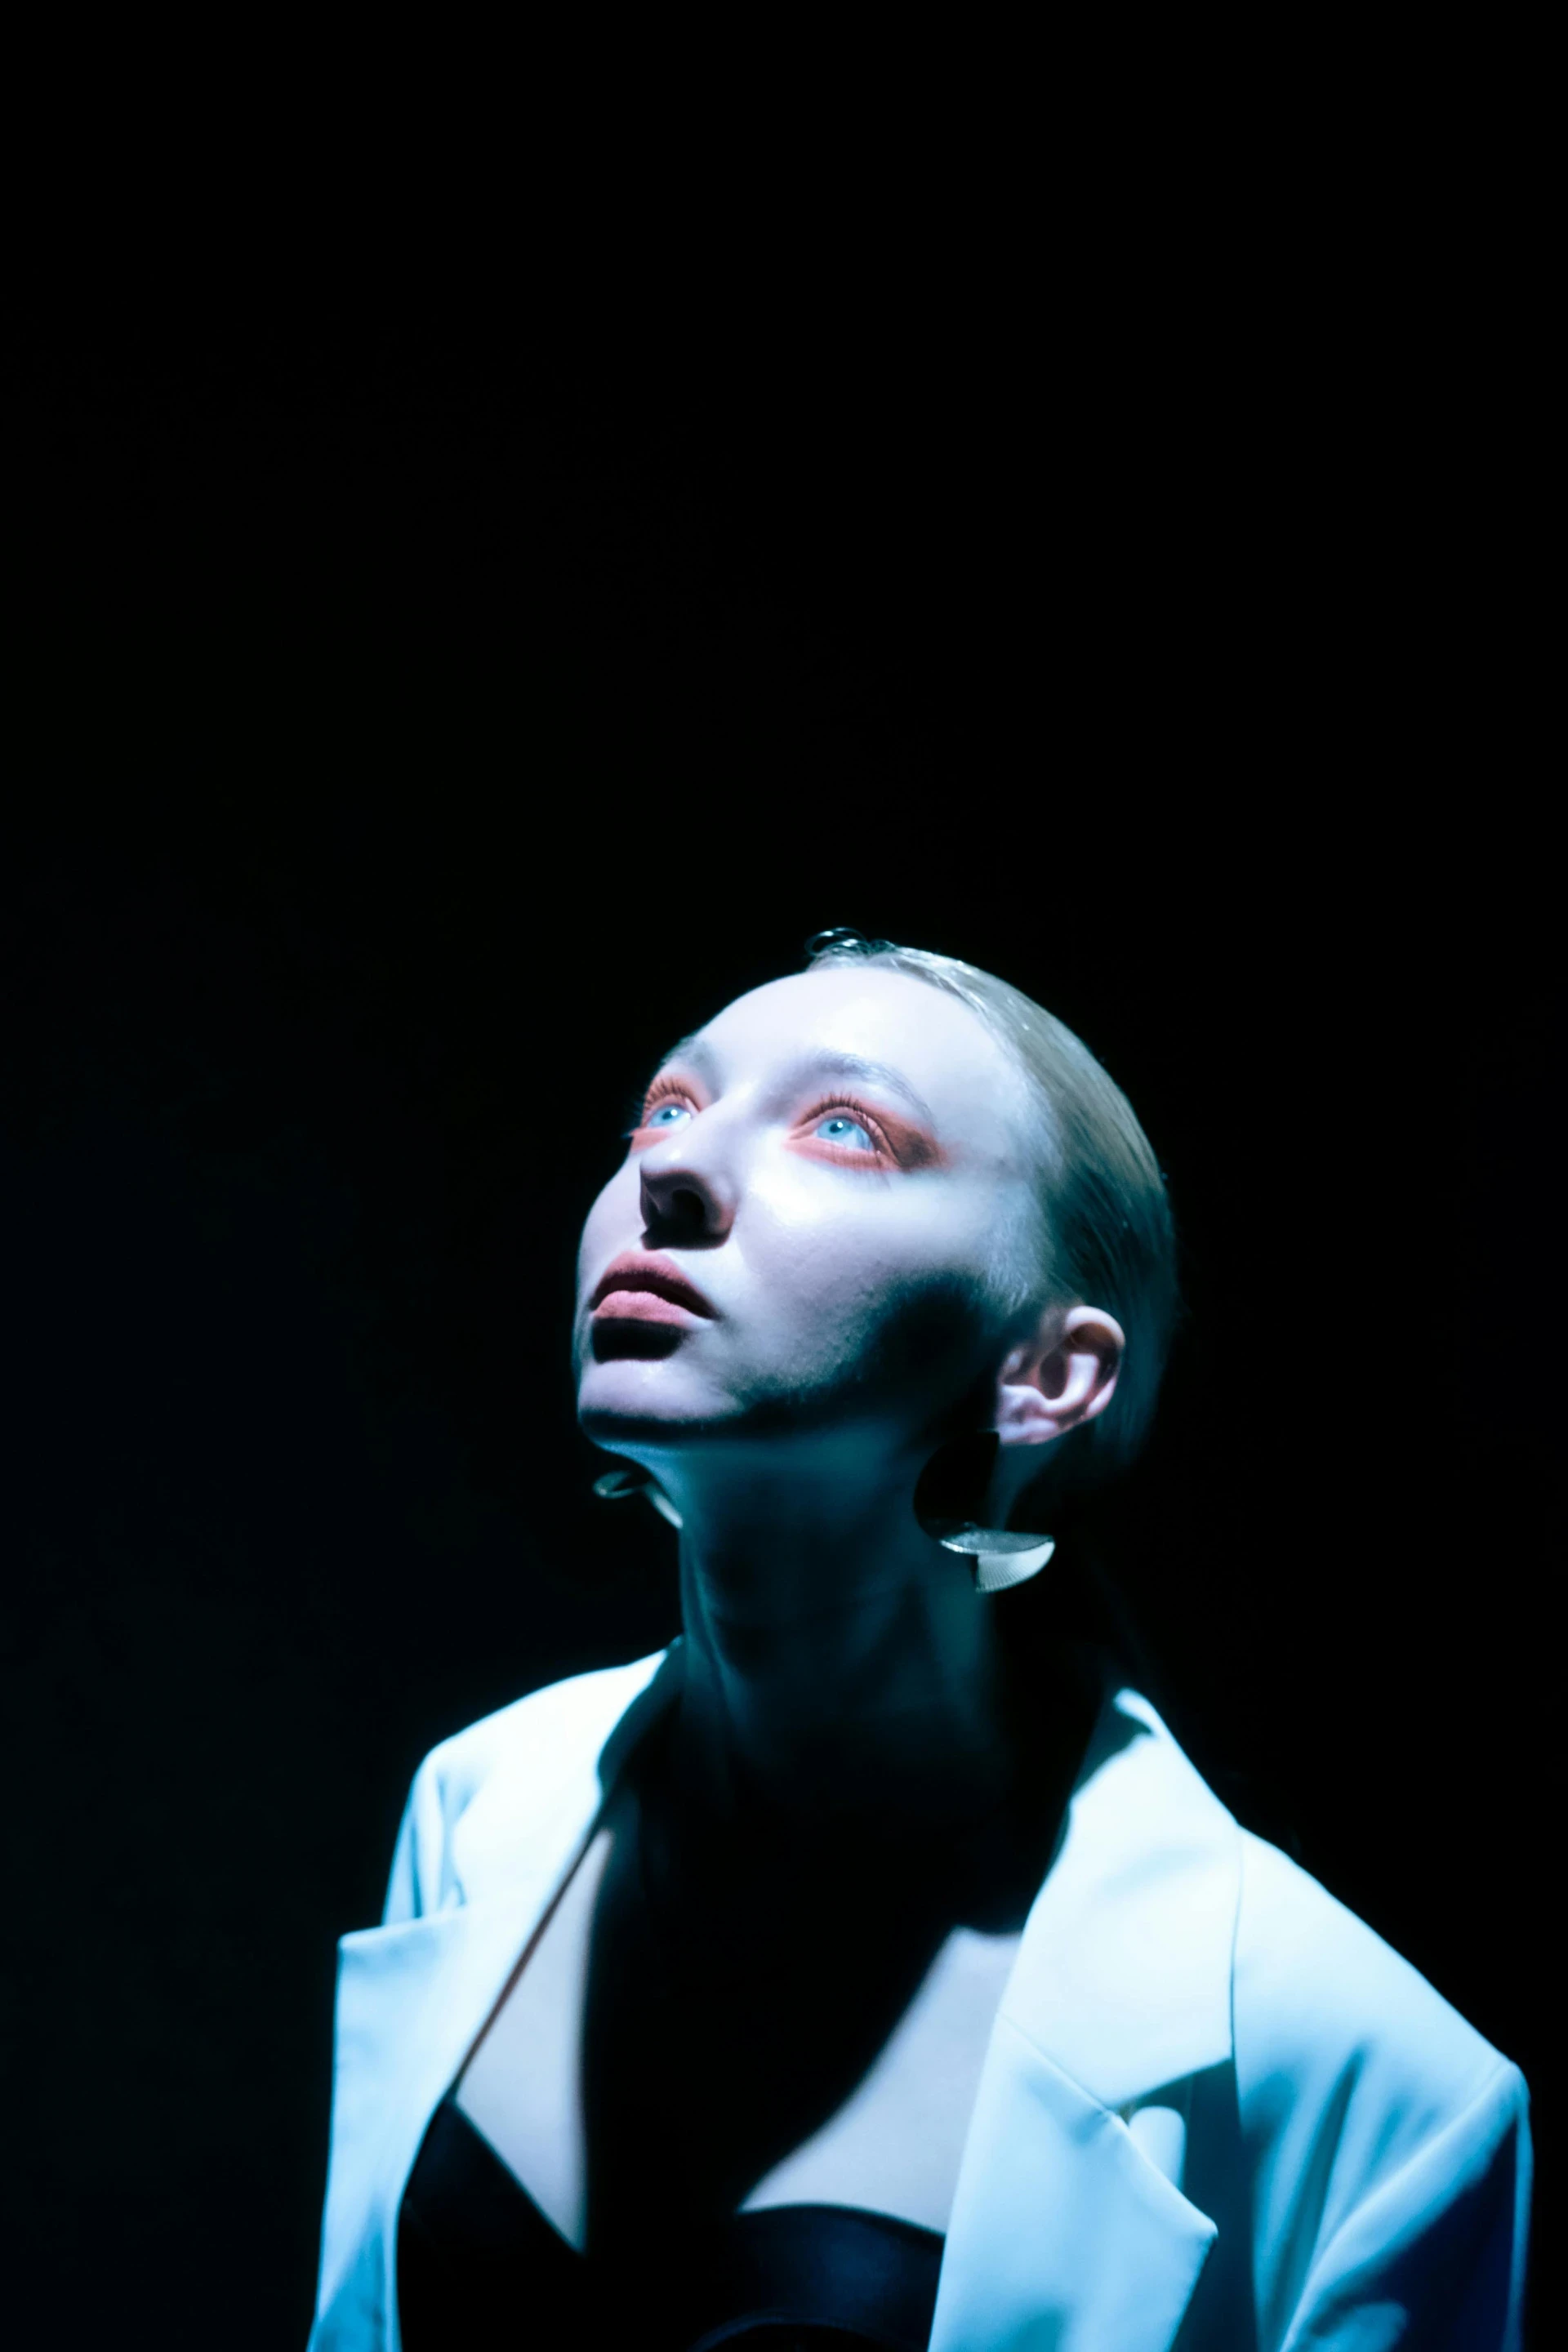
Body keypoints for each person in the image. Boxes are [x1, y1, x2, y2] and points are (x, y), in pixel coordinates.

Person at [308, 932, 1531, 2350]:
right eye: (666, 1106)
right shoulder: (477, 1812)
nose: (673, 1167)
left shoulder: (1361, 2077)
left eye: (847, 1130)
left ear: (1049, 1374)